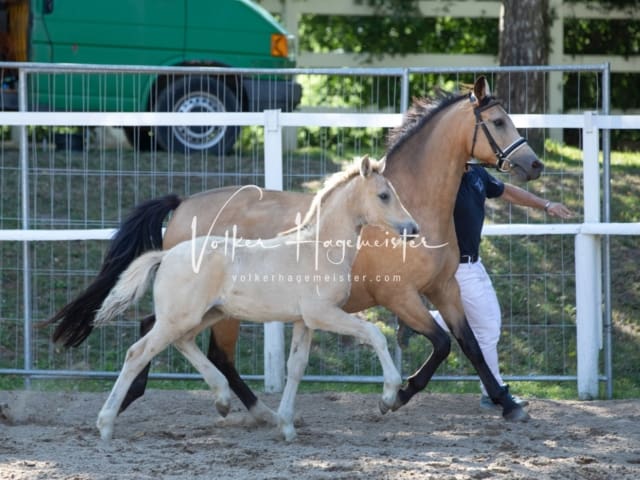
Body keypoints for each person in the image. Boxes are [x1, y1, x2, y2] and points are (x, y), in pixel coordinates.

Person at [400, 164, 574, 410]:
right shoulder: (441, 178)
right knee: (487, 330)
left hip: (475, 264)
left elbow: (507, 191)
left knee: (488, 322)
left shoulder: (476, 174)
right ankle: (492, 393)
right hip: (455, 268)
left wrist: (545, 205)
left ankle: (416, 319)